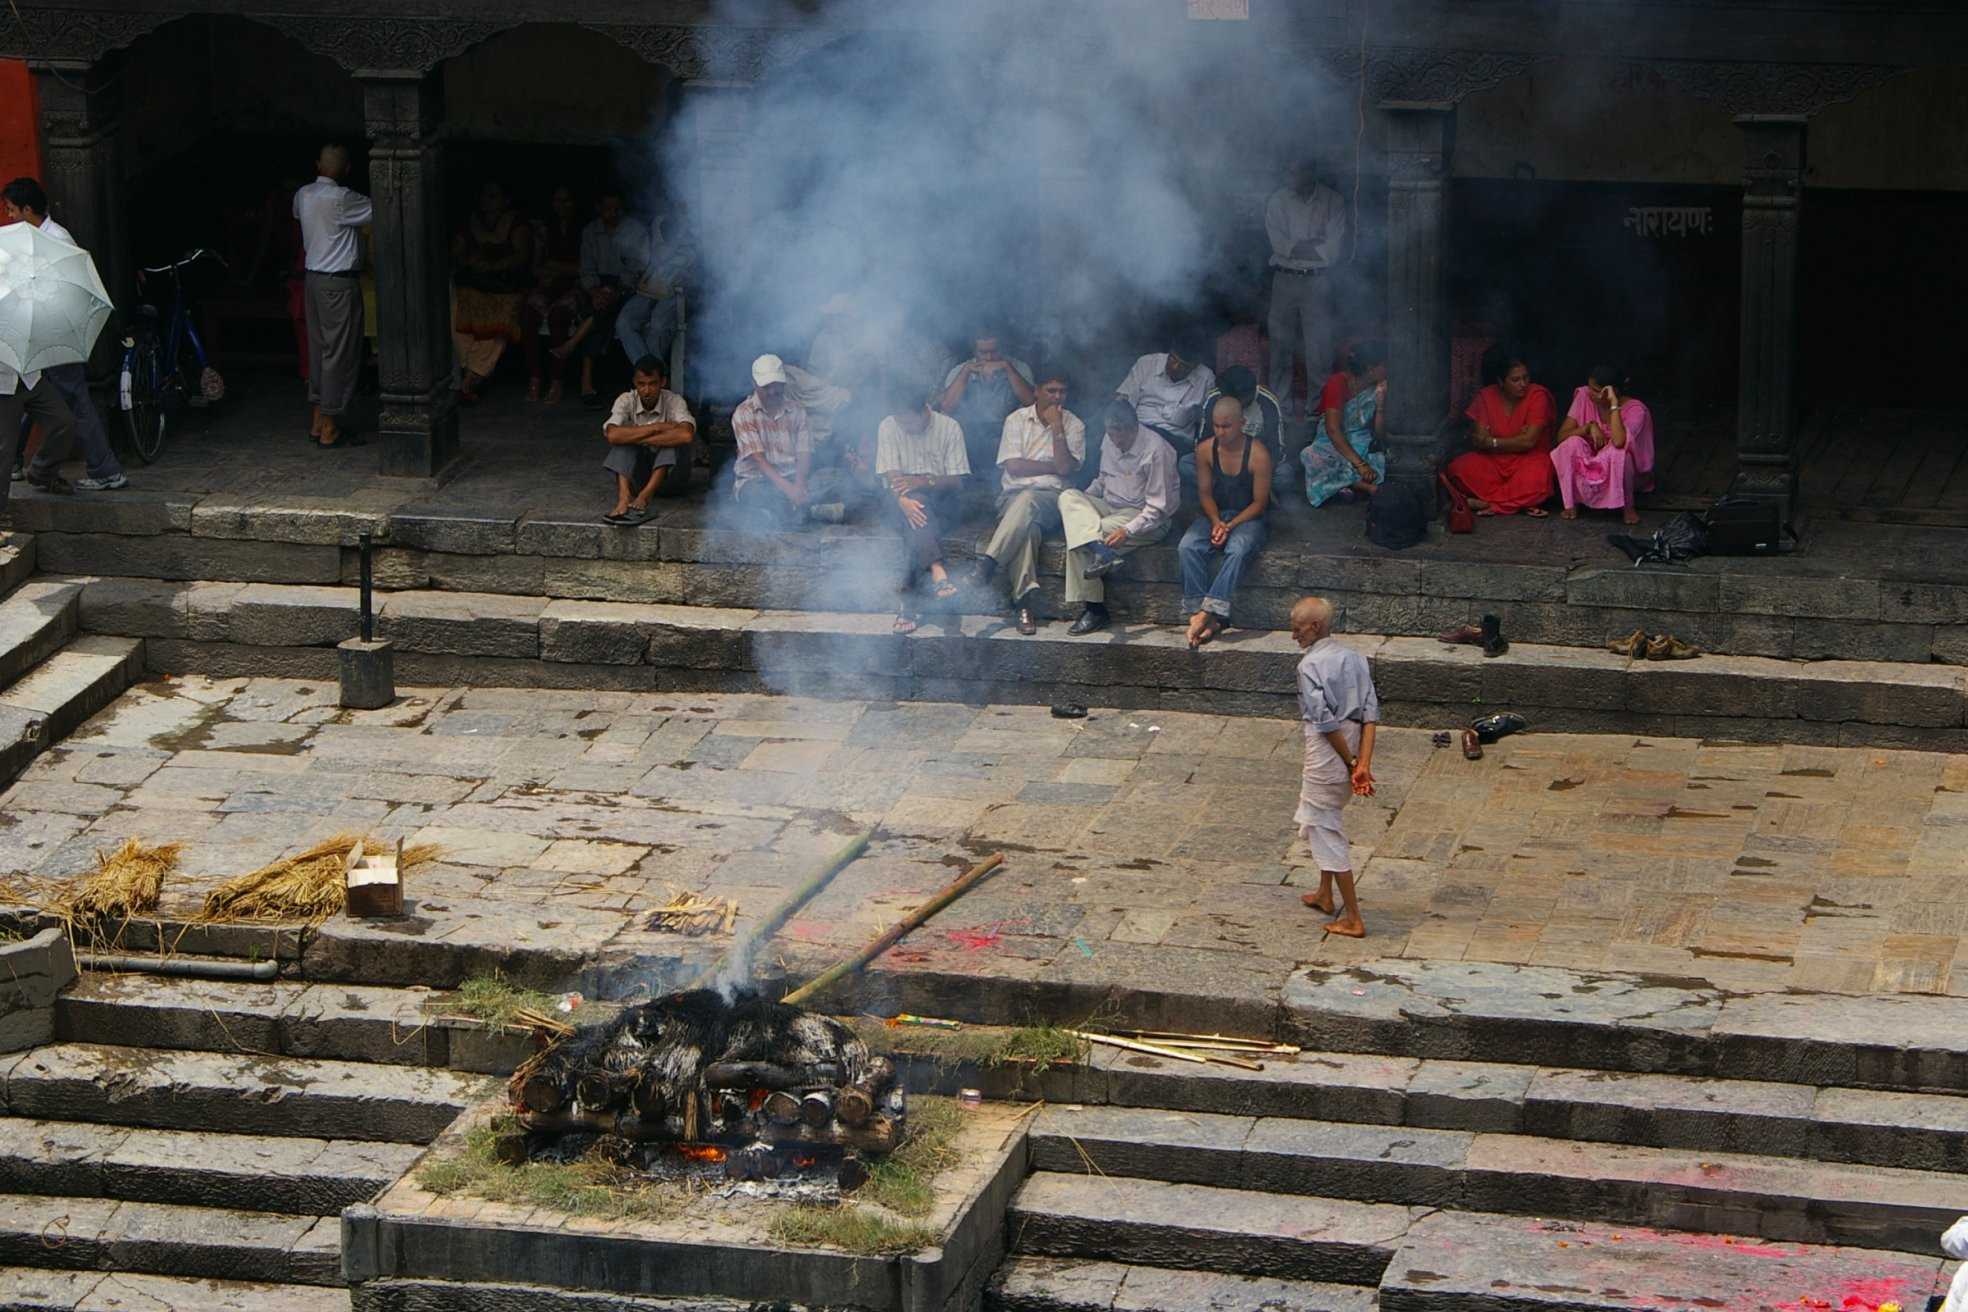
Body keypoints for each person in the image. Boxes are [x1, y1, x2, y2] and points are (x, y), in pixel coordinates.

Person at [1, 177, 128, 490]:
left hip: (55, 332)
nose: (9, 216)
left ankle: (105, 469)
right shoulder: (30, 238)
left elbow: (64, 292)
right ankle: (18, 461)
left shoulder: (56, 239)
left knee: (72, 400)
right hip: (34, 332)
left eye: (12, 210)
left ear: (27, 209)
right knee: (30, 392)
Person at [968, 371, 1084, 635]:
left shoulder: (1074, 424)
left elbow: (1066, 469)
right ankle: (1023, 606)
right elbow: (1015, 467)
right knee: (1028, 529)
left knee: (1030, 499)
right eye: (1051, 390)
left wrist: (1057, 429)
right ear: (1037, 390)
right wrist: (1053, 467)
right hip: (1012, 498)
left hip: (1053, 499)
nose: (1057, 397)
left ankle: (987, 565)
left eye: (1062, 391)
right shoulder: (1016, 420)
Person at [1290, 595, 1377, 939]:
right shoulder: (1356, 658)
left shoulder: (1308, 666)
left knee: (1326, 825)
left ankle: (1354, 917)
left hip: (1329, 750)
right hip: (1352, 740)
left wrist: (1352, 762)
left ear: (1314, 626)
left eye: (1297, 629)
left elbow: (1324, 722)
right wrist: (1362, 762)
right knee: (1319, 815)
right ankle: (1324, 892)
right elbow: (1370, 714)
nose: (1294, 635)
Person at [1058, 400, 1178, 636]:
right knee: (1068, 497)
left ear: (1135, 428)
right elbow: (1103, 481)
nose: (1115, 441)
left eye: (1121, 436)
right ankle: (1102, 552)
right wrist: (1082, 504)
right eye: (1111, 434)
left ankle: (1094, 609)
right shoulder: (1109, 440)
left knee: (1084, 534)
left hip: (1144, 516)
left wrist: (1127, 531)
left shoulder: (1156, 450)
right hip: (1110, 506)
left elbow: (1158, 508)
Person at [293, 143, 372, 449]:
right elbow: (382, 208)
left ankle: (317, 418)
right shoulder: (343, 198)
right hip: (338, 284)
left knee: (319, 350)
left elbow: (301, 217)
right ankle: (330, 425)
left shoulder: (303, 194)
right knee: (340, 354)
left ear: (318, 164)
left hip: (313, 280)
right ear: (347, 169)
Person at [1180, 396, 1273, 648]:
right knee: (1187, 546)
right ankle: (1199, 614)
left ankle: (1207, 613)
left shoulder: (1258, 454)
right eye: (1216, 426)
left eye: (1226, 426)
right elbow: (1205, 494)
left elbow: (1260, 504)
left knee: (1238, 549)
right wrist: (1217, 522)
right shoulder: (1205, 450)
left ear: (1241, 423)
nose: (1220, 432)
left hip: (1248, 516)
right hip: (1216, 513)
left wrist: (1229, 527)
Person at [875, 391, 970, 634]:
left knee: (916, 520)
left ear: (925, 411)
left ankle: (907, 604)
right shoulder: (888, 426)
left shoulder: (949, 427)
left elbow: (956, 480)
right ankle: (938, 571)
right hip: (899, 500)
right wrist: (903, 502)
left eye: (909, 422)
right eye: (901, 423)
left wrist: (922, 482)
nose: (905, 428)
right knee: (916, 512)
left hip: (942, 500)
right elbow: (893, 476)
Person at [1266, 157, 1346, 423]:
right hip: (1284, 278)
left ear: (1311, 171)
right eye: (1286, 171)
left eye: (1294, 170)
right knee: (1280, 346)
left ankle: (1316, 413)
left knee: (1319, 349)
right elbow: (1278, 244)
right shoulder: (1278, 200)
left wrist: (1294, 247)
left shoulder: (1333, 201)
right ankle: (1281, 410)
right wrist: (1314, 245)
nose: (1288, 176)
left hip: (1317, 281)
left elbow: (1332, 252)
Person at [731, 353, 843, 526]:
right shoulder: (744, 413)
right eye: (766, 386)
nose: (772, 391)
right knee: (754, 493)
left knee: (839, 478)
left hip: (794, 478)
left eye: (776, 385)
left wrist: (799, 486)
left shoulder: (797, 410)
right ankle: (810, 511)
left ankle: (783, 512)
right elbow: (758, 459)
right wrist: (788, 490)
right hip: (759, 481)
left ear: (783, 383)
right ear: (754, 384)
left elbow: (804, 452)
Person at [1444, 351, 1557, 516]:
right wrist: (1511, 441)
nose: (1523, 384)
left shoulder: (1538, 396)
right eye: (1515, 380)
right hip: (1494, 460)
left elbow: (1527, 442)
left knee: (1539, 476)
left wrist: (1493, 442)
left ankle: (1488, 504)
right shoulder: (1486, 396)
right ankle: (1516, 502)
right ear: (1501, 382)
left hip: (1529, 459)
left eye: (1525, 378)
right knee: (1457, 470)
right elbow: (1479, 441)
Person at [449, 180, 532, 405]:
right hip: (473, 285)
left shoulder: (516, 222)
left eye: (493, 195)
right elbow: (454, 255)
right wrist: (469, 261)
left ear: (506, 200)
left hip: (504, 287)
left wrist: (496, 265)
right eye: (484, 194)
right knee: (454, 309)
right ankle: (474, 375)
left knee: (502, 320)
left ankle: (470, 376)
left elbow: (523, 254)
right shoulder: (470, 222)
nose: (486, 199)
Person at [574, 188, 649, 409]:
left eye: (618, 209)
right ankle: (589, 380)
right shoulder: (591, 231)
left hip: (627, 287)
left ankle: (585, 376)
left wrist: (618, 290)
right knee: (600, 309)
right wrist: (594, 290)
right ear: (598, 208)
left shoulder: (635, 231)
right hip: (598, 286)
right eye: (608, 209)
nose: (613, 214)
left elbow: (638, 266)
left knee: (601, 311)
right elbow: (586, 267)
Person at [1552, 364, 1654, 526]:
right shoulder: (1584, 396)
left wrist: (1613, 404)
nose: (1590, 393)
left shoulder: (1636, 411)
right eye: (1590, 388)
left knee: (1618, 452)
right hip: (1590, 467)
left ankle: (1627, 506)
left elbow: (1619, 441)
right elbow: (1561, 437)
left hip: (1621, 471)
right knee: (1571, 444)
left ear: (1614, 391)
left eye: (1596, 390)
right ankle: (1572, 502)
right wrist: (1589, 427)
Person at [601, 355, 695, 526]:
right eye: (641, 384)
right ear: (634, 383)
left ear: (663, 382)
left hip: (671, 481)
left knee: (671, 444)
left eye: (652, 383)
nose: (646, 390)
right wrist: (658, 427)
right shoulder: (626, 400)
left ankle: (645, 496)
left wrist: (634, 434)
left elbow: (686, 435)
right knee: (623, 445)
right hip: (637, 480)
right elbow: (612, 435)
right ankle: (624, 497)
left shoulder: (674, 401)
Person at [1302, 341, 1389, 507]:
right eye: (1384, 366)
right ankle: (1364, 487)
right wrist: (1360, 465)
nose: (1387, 370)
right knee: (1312, 455)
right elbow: (1333, 430)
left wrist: (1381, 404)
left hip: (1363, 440)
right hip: (1331, 441)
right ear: (1371, 369)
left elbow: (1380, 434)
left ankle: (1343, 486)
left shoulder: (1379, 387)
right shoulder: (1338, 382)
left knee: (1382, 460)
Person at [521, 185, 585, 403]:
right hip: (549, 283)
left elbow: (582, 269)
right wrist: (563, 268)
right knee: (528, 313)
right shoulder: (544, 230)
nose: (561, 205)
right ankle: (535, 377)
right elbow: (537, 270)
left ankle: (557, 379)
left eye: (566, 200)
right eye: (557, 200)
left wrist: (553, 264)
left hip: (576, 285)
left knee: (559, 316)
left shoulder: (584, 230)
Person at [938, 331, 1035, 473]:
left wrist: (1008, 369)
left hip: (1008, 434)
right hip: (971, 436)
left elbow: (1031, 403)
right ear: (974, 351)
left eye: (994, 351)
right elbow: (947, 406)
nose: (989, 358)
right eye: (983, 352)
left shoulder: (1018, 367)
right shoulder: (960, 370)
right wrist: (965, 372)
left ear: (1002, 349)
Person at [616, 207, 694, 375]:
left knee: (657, 327)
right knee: (624, 322)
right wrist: (681, 231)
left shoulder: (702, 227)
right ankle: (652, 375)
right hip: (651, 288)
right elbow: (660, 255)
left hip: (679, 293)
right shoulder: (661, 222)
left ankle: (650, 378)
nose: (682, 207)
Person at [1194, 364, 1286, 490]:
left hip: (1255, 465)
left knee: (1284, 476)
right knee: (1186, 465)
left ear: (1251, 393)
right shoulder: (1214, 398)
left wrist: (1248, 475)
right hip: (1219, 463)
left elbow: (1274, 450)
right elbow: (1203, 442)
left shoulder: (1267, 402)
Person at [0, 360, 78, 507]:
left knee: (63, 421)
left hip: (30, 378)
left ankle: (43, 473)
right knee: (4, 450)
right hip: (3, 385)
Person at [1115, 345, 1215, 456]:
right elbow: (1123, 400)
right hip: (1138, 429)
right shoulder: (1147, 363)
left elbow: (1205, 421)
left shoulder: (1206, 379)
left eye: (1183, 365)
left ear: (1195, 366)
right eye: (1172, 359)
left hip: (1175, 440)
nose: (1175, 367)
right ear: (1169, 351)